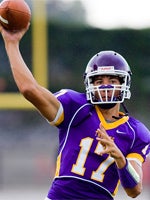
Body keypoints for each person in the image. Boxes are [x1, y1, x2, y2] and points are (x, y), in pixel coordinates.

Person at [0, 24, 150, 200]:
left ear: (124, 83)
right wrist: (11, 43)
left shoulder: (136, 132)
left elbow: (135, 190)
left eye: (112, 80)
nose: (105, 86)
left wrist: (120, 159)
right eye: (98, 80)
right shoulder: (75, 106)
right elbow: (29, 90)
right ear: (89, 84)